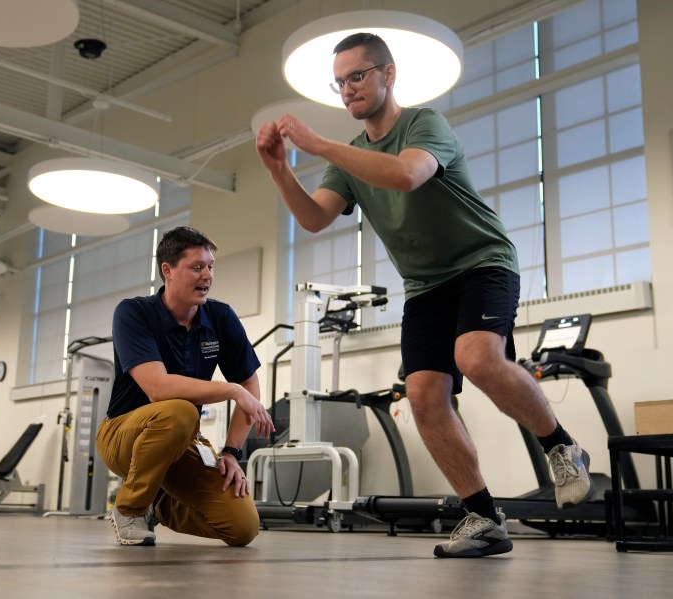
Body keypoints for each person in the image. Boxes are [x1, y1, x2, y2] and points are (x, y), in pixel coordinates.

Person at [255, 33, 594, 558]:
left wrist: (319, 144)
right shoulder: (347, 159)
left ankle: (561, 447)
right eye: (339, 82)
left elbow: (408, 174)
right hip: (425, 285)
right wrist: (279, 168)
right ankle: (482, 516)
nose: (347, 90)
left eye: (357, 76)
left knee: (477, 358)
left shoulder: (423, 124)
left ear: (388, 74)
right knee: (422, 396)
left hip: (482, 261)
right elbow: (314, 217)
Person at [96, 226, 274, 547]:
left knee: (242, 528)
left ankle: (158, 508)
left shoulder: (220, 317)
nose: (207, 275)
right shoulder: (133, 313)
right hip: (123, 434)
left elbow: (249, 380)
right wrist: (232, 391)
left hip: (183, 437)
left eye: (210, 266)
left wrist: (231, 452)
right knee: (179, 411)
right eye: (196, 267)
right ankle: (130, 508)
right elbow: (158, 388)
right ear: (168, 271)